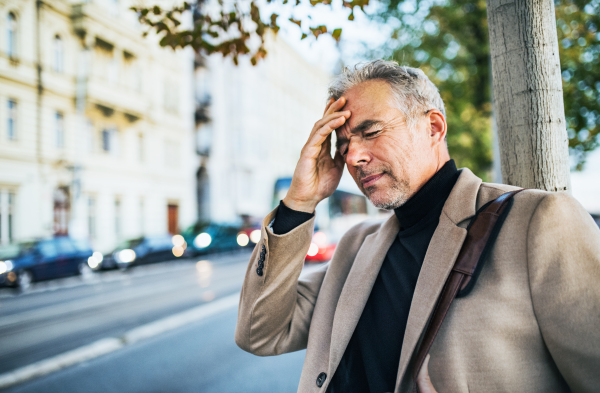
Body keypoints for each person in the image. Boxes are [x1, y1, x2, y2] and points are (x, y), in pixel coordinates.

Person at [235, 60, 600, 392]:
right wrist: (299, 203)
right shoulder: (356, 246)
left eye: (372, 131)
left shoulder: (538, 220)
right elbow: (260, 333)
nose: (355, 157)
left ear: (433, 127)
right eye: (344, 145)